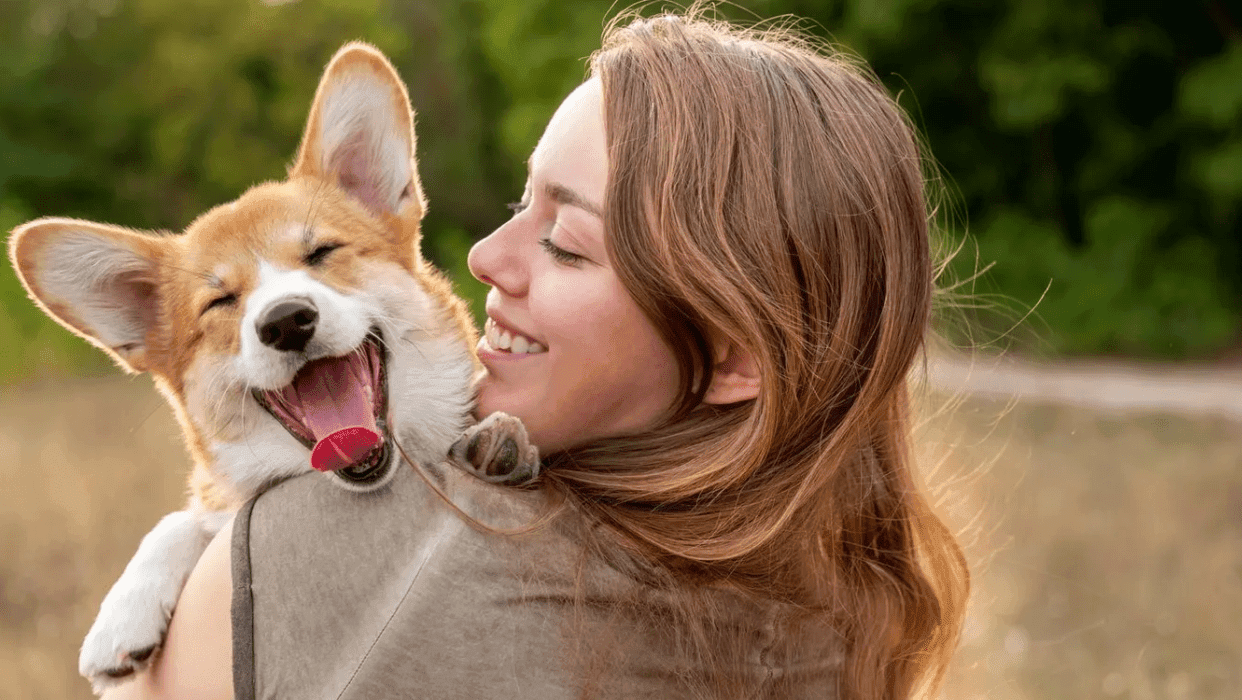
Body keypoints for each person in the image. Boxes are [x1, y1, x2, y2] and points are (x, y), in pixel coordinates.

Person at [103, 10, 968, 700]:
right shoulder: (839, 613)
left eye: (566, 242)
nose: (481, 257)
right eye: (521, 205)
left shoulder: (343, 554)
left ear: (735, 356)